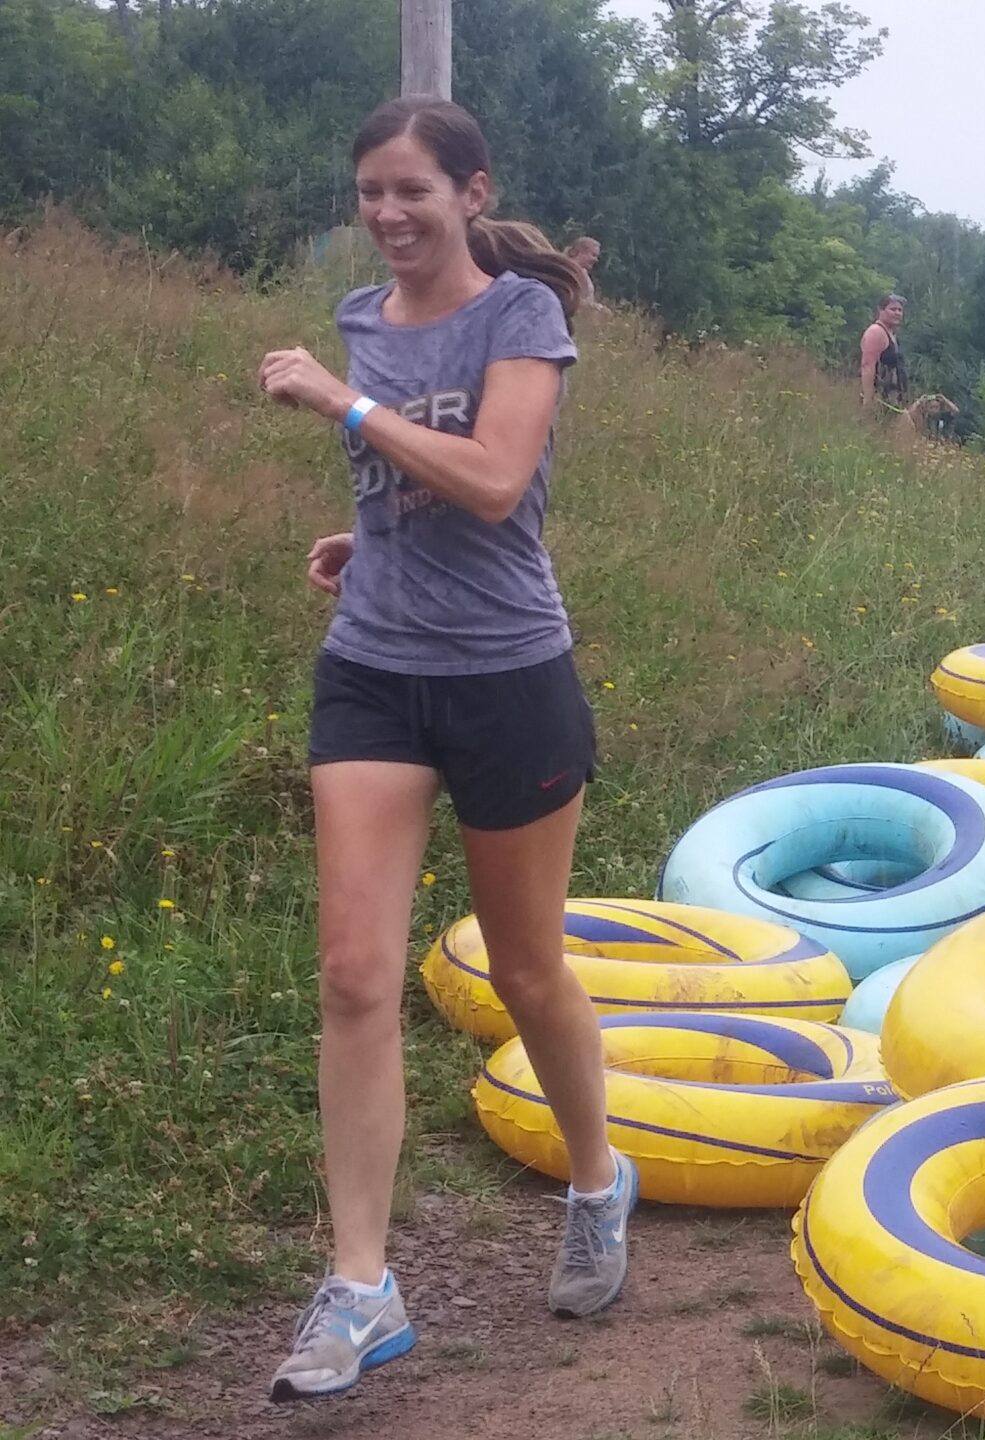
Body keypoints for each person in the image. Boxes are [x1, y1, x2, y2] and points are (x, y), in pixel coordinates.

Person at [253, 95, 632, 1401]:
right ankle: (361, 1287)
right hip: (373, 670)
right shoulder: (366, 317)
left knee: (529, 970)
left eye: (411, 189)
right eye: (369, 192)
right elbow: (426, 497)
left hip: (508, 680)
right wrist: (370, 543)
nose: (388, 213)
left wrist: (342, 406)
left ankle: (597, 1180)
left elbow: (490, 479)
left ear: (472, 194)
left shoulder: (520, 318)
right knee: (355, 974)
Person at [858, 294, 908, 408]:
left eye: (900, 310)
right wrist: (868, 399)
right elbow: (867, 365)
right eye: (893, 309)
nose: (897, 313)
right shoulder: (876, 332)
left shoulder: (892, 334)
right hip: (879, 399)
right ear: (881, 310)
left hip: (893, 399)